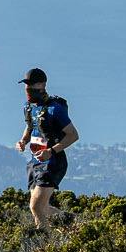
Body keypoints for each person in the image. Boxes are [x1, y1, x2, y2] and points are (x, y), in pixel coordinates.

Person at [14, 66, 78, 230]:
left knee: (36, 207)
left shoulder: (54, 109)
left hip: (53, 162)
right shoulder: (28, 107)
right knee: (41, 207)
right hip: (34, 161)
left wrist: (51, 151)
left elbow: (72, 135)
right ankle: (73, 221)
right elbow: (30, 127)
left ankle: (44, 243)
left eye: (32, 84)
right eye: (26, 84)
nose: (28, 88)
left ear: (42, 84)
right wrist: (23, 141)